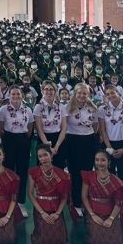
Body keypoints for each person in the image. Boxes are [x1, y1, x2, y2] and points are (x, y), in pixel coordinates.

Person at [54, 82, 98, 215]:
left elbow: (95, 126)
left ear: (88, 94)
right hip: (73, 141)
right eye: (79, 93)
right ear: (75, 93)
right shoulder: (67, 108)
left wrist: (88, 134)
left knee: (87, 172)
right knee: (75, 173)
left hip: (88, 141)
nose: (82, 95)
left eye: (84, 93)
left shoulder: (93, 107)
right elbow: (64, 126)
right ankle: (76, 203)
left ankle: (86, 200)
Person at [81, 151, 123, 244]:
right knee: (97, 240)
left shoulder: (116, 181)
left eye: (103, 160)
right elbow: (84, 197)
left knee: (116, 242)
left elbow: (119, 202)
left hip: (110, 213)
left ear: (109, 162)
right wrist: (92, 215)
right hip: (93, 211)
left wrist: (111, 218)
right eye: (97, 160)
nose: (99, 163)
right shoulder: (88, 176)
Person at [0, 86, 33, 216]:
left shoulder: (28, 110)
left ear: (22, 95)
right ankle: (7, 200)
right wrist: (7, 139)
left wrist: (23, 139)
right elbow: (0, 127)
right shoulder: (3, 110)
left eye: (18, 94)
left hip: (23, 141)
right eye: (13, 94)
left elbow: (30, 128)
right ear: (9, 96)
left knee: (22, 172)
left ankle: (20, 202)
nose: (15, 96)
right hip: (8, 140)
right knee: (8, 171)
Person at [28, 145, 70, 244]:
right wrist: (42, 213)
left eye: (45, 155)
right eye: (40, 156)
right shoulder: (33, 172)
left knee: (59, 240)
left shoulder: (62, 174)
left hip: (56, 208)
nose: (43, 158)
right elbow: (30, 194)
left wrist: (57, 213)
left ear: (51, 156)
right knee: (43, 239)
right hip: (41, 208)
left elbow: (64, 196)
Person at [98, 85, 123, 183]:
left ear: (118, 93)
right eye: (107, 94)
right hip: (108, 144)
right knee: (109, 174)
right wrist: (110, 148)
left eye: (112, 93)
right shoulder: (102, 109)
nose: (110, 95)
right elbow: (102, 130)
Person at [33, 82, 65, 169]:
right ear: (42, 91)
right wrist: (48, 147)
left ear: (55, 91)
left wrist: (56, 146)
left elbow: (64, 128)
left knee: (59, 169)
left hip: (59, 140)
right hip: (43, 140)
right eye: (46, 89)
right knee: (43, 169)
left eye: (51, 89)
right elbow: (39, 130)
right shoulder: (38, 107)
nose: (49, 92)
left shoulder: (61, 106)